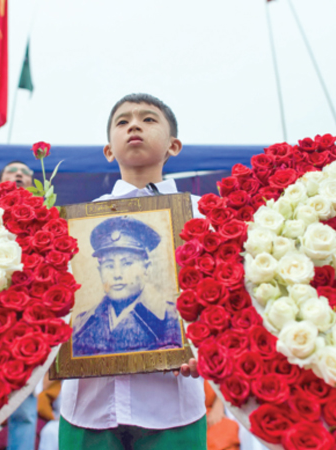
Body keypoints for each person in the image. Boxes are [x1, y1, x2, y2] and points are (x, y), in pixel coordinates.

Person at [59, 93, 205, 450]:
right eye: (122, 122)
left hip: (173, 405)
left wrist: (207, 347)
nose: (134, 125)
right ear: (109, 150)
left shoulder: (201, 214)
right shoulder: (76, 222)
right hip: (89, 406)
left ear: (174, 145)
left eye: (148, 119)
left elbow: (223, 297)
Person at [72, 215, 183, 356]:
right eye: (109, 265)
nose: (117, 274)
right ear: (100, 271)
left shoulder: (170, 319)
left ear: (147, 268)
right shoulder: (82, 325)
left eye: (127, 263)